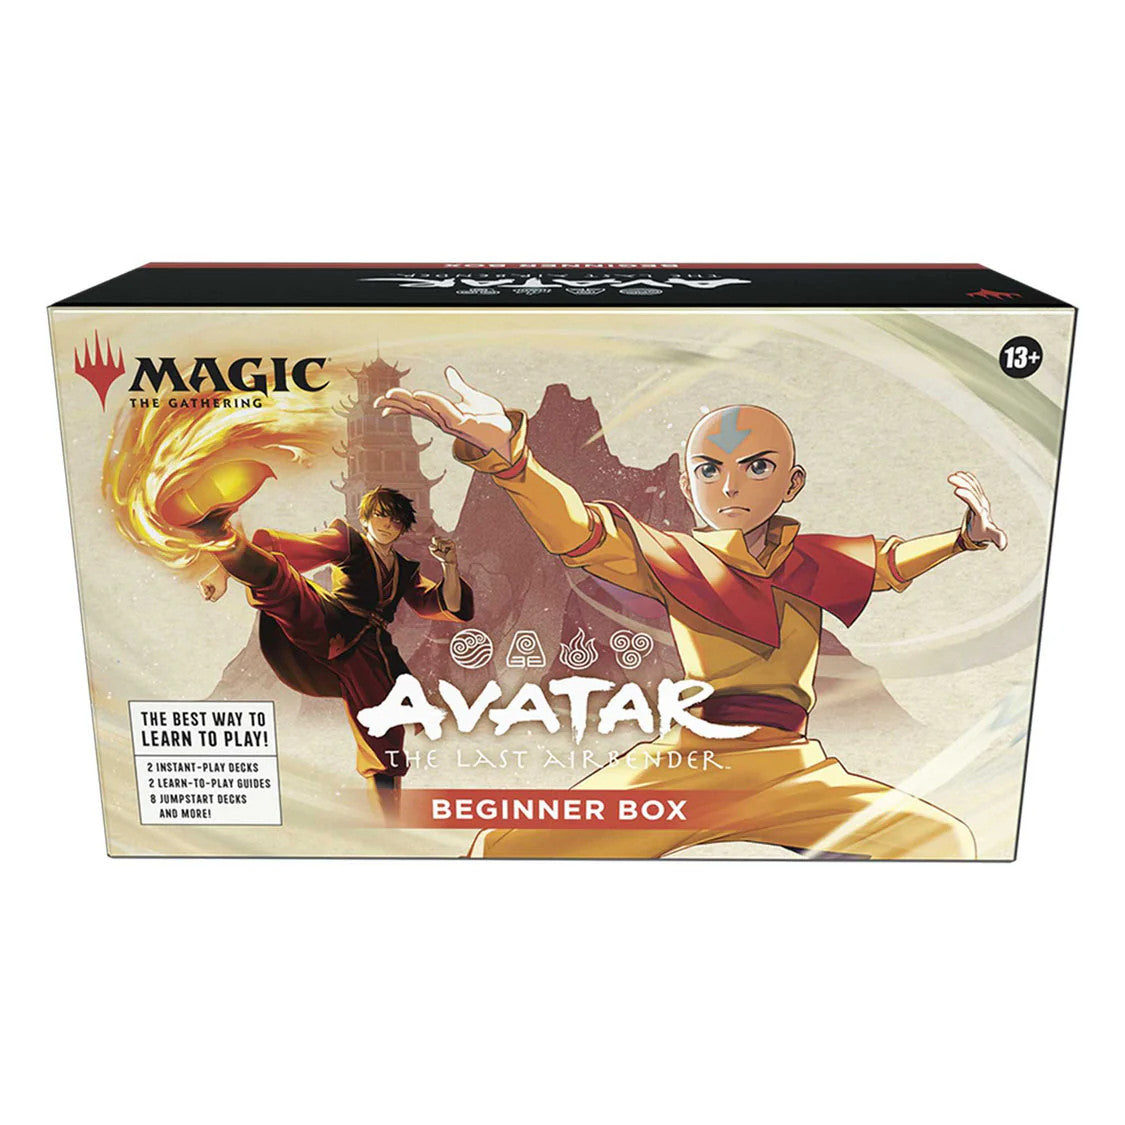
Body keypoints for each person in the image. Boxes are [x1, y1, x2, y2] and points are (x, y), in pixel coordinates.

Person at [376, 366, 1007, 859]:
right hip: (686, 766)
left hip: (790, 770)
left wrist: (963, 540)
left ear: (792, 483)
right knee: (506, 850)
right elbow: (580, 530)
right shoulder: (673, 557)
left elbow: (889, 563)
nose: (730, 485)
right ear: (687, 485)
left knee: (942, 843)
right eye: (710, 469)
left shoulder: (814, 560)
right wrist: (511, 460)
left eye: (757, 467)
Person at [161, 471, 473, 802]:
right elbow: (293, 549)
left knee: (385, 739)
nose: (387, 524)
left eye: (395, 520)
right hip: (332, 620)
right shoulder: (348, 542)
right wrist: (221, 571)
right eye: (381, 515)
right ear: (365, 517)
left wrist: (450, 566)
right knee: (286, 587)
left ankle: (387, 820)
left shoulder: (404, 570)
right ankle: (218, 534)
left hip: (372, 653)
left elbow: (444, 604)